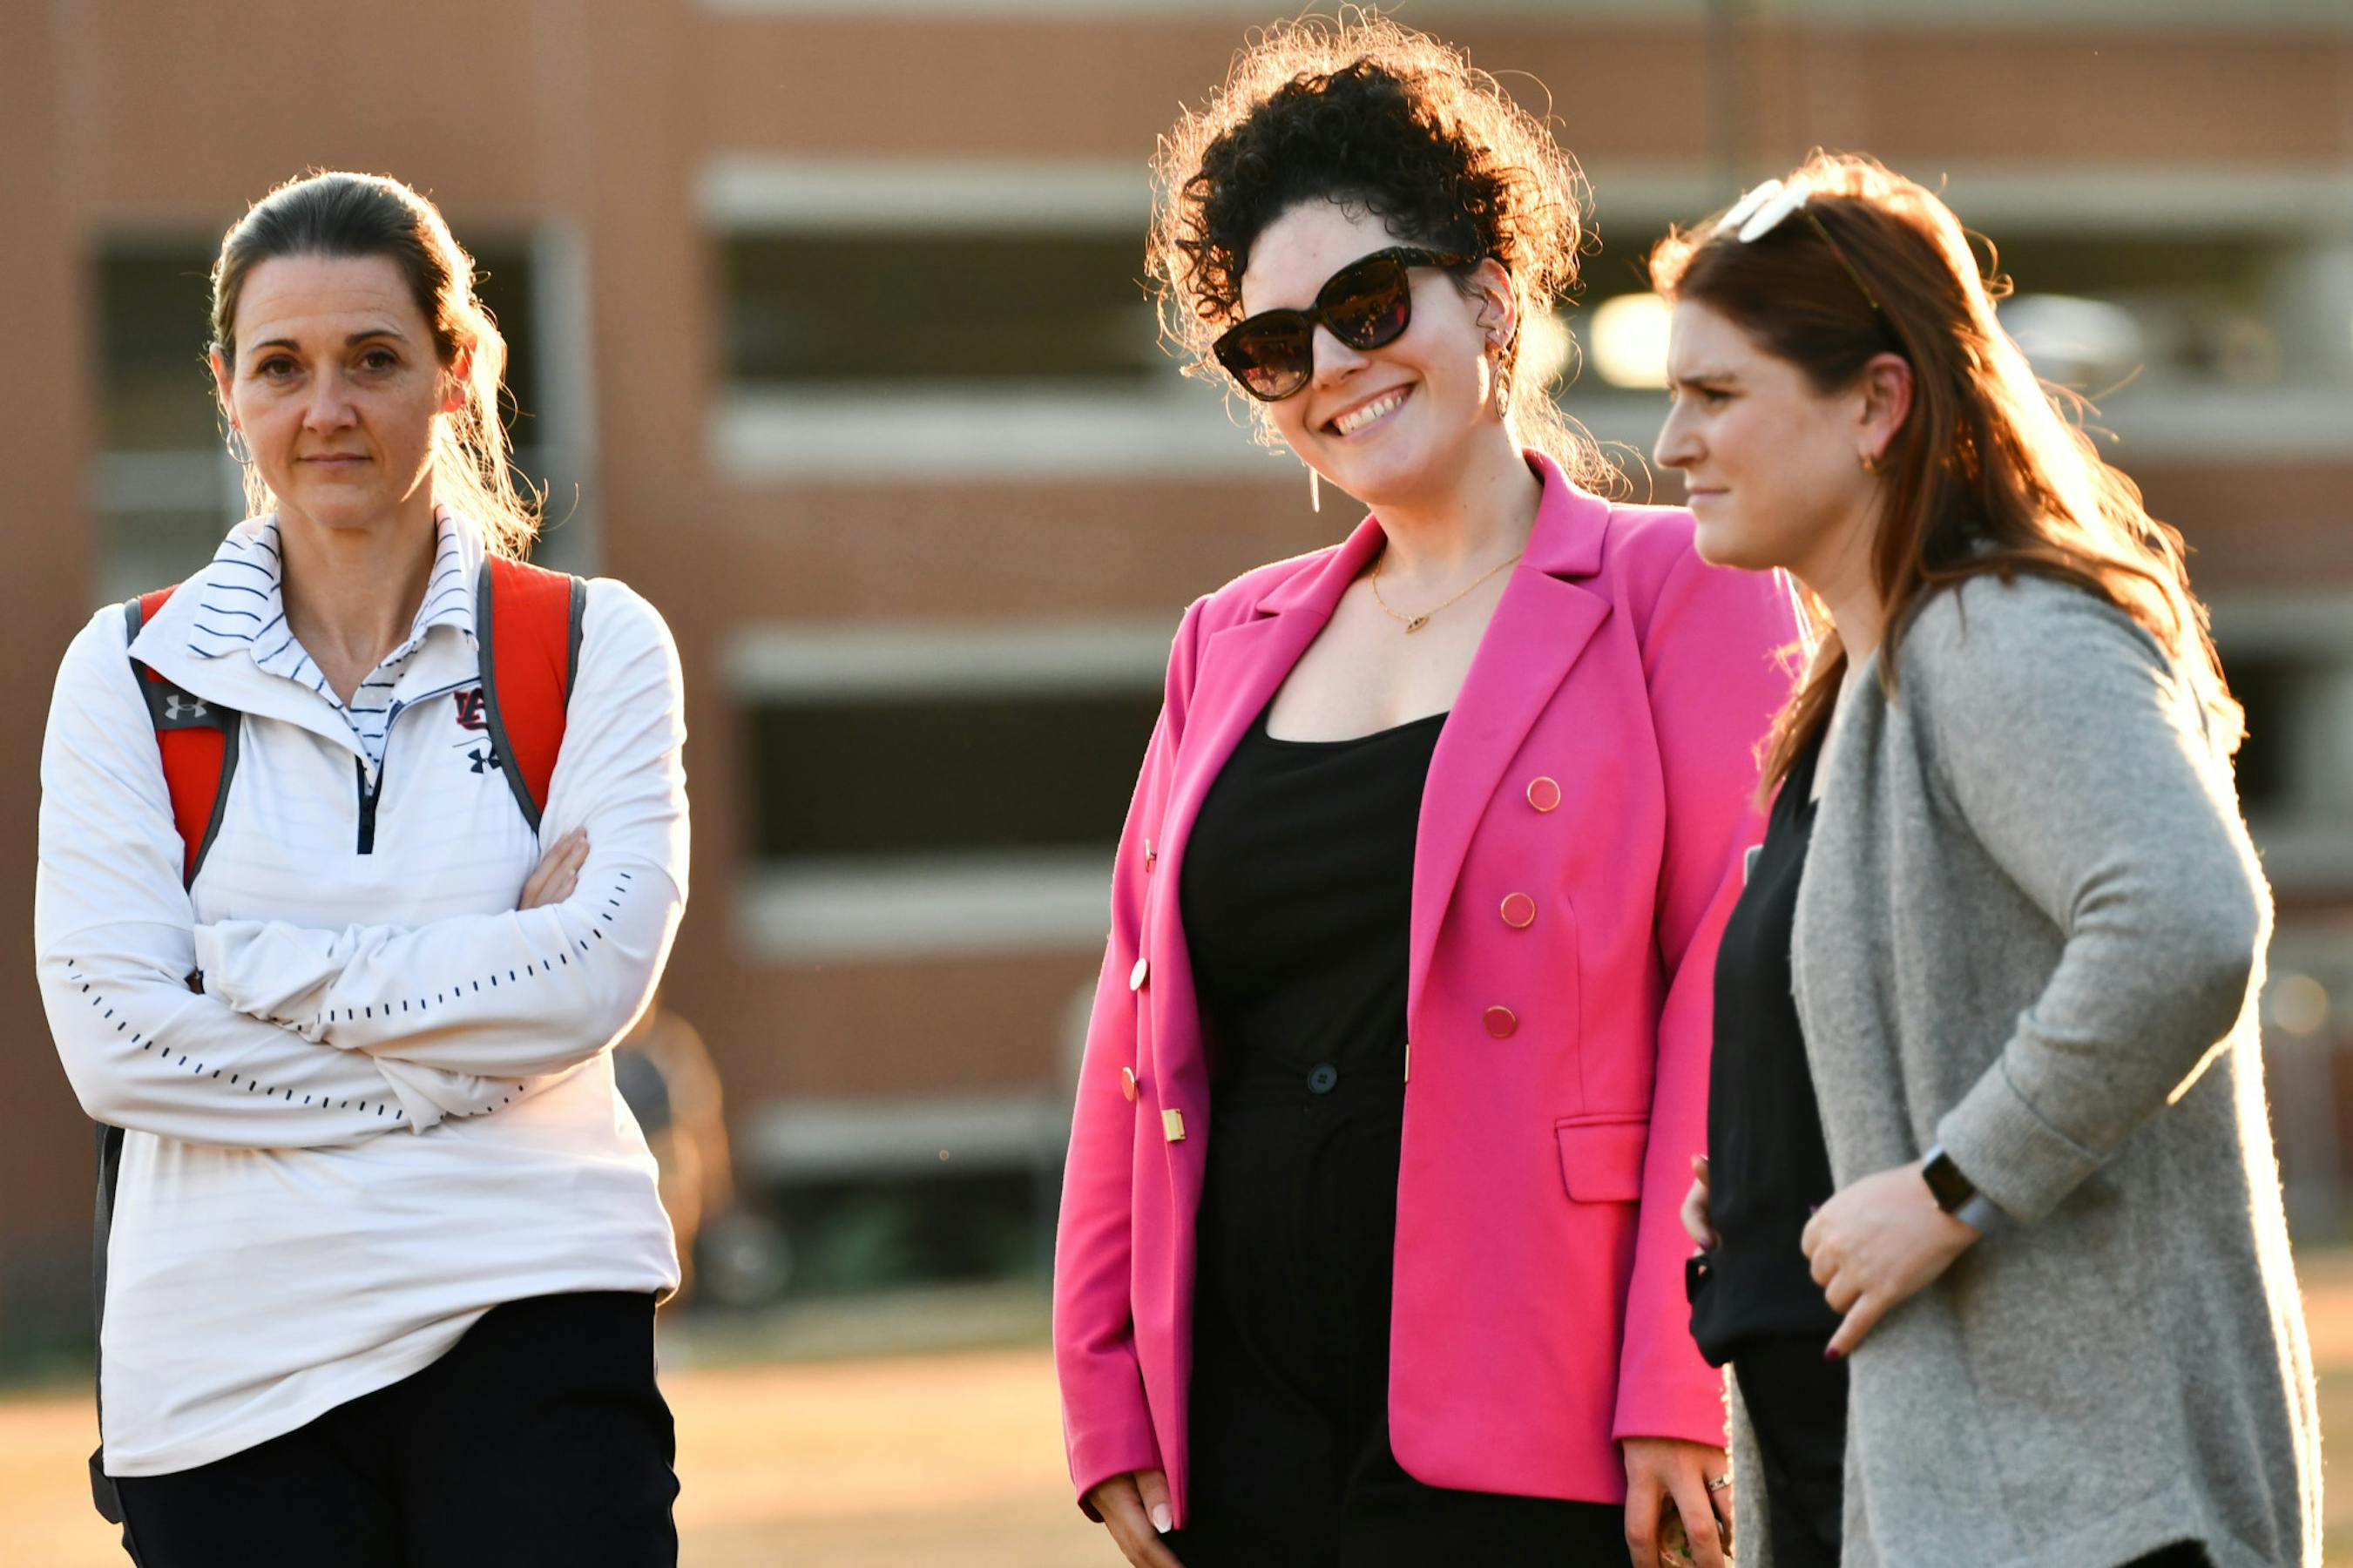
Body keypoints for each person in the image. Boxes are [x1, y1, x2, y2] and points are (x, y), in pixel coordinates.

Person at [1051, 17, 1796, 1568]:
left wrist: (1683, 1365)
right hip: (1238, 1409)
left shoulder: (1683, 586)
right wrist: (1106, 1388)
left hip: (1539, 1392)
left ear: (1494, 300)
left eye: (1368, 304)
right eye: (1273, 347)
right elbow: (1135, 1032)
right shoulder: (1221, 641)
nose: (1331, 367)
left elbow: (1733, 993)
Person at [1660, 152, 2321, 1568]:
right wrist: (1786, 1155)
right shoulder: (1852, 696)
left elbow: (2185, 923)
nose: (1670, 442)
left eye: (1714, 394)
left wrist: (1950, 1187)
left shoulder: (1999, 631)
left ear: (1875, 403)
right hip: (1901, 1488)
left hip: (2076, 1512)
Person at [36, 170, 692, 1567]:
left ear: (454, 374)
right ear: (229, 390)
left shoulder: (595, 645)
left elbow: (593, 978)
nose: (325, 406)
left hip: (534, 1307)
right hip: (222, 1369)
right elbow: (113, 1040)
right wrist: (457, 1057)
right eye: (282, 365)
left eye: (374, 359)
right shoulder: (126, 672)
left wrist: (247, 968)